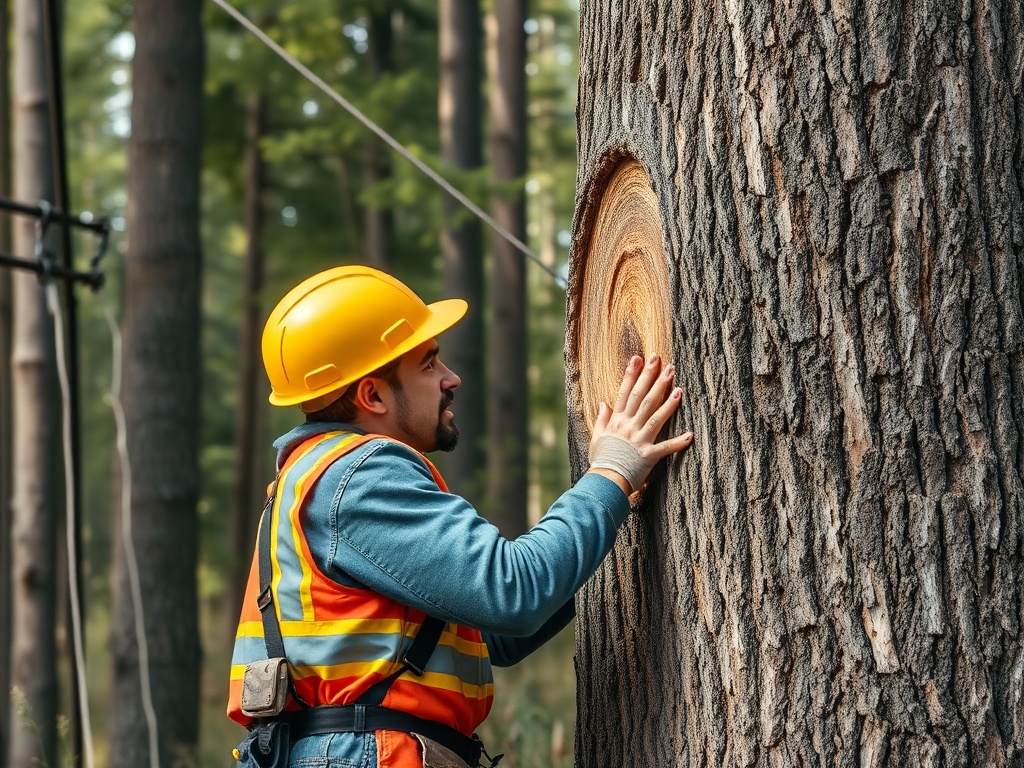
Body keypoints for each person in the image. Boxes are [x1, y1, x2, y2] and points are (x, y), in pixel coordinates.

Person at [227, 265, 693, 768]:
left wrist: (608, 515)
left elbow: (495, 633)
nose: (452, 378)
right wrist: (611, 473)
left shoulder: (312, 482)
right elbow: (512, 592)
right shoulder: (360, 478)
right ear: (374, 396)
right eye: (428, 365)